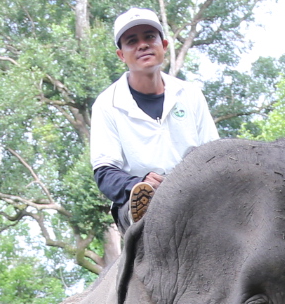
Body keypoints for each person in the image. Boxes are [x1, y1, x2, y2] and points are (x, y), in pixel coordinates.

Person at [90, 7, 218, 226]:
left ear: (164, 46)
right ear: (121, 55)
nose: (143, 45)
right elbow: (105, 173)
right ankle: (144, 213)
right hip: (137, 199)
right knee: (145, 203)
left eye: (150, 37)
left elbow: (213, 154)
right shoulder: (106, 104)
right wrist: (139, 184)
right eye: (132, 41)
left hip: (194, 195)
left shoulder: (190, 94)